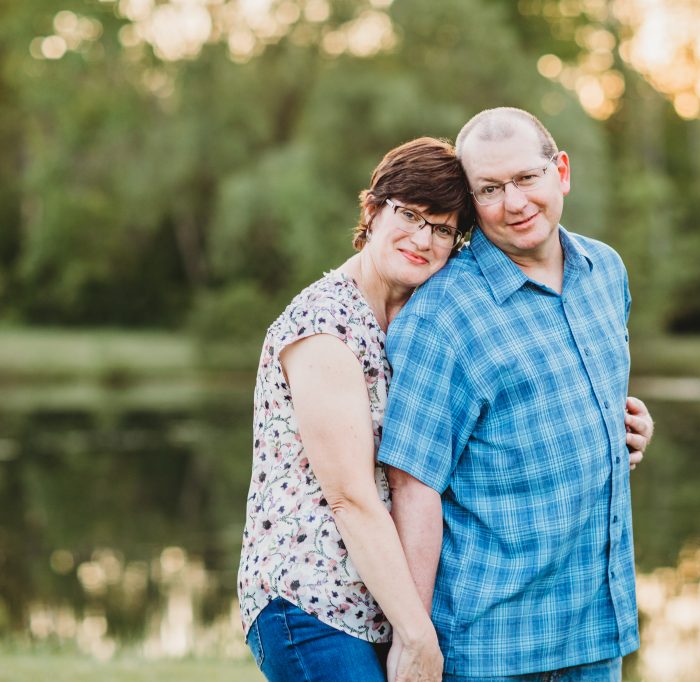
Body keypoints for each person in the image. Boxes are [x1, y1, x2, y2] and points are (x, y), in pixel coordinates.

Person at [378, 108, 653, 681]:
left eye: (527, 178)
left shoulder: (607, 271)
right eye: (490, 189)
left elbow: (583, 395)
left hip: (598, 631)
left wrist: (622, 429)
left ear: (562, 172)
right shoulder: (443, 316)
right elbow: (414, 485)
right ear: (472, 203)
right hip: (492, 646)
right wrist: (414, 638)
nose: (514, 202)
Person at [237, 137, 473, 682]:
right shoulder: (324, 324)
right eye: (410, 215)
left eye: (441, 229)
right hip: (310, 602)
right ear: (371, 211)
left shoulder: (418, 319)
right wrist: (417, 636)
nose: (422, 239)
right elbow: (349, 498)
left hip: (381, 605)